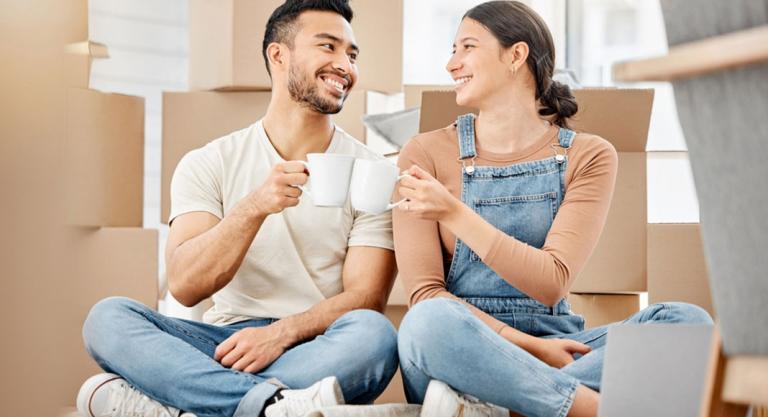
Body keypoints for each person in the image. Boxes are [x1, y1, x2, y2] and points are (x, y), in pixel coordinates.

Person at [76, 1, 399, 416]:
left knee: (374, 336)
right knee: (108, 319)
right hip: (223, 346)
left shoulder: (372, 173)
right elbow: (185, 284)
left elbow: (365, 298)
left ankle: (194, 402)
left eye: (352, 55)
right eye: (328, 47)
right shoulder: (209, 162)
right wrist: (254, 208)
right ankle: (273, 406)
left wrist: (281, 334)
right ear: (278, 55)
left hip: (317, 344)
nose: (345, 66)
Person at [393, 2, 713, 417]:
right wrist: (531, 349)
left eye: (466, 47)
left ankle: (497, 407)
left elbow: (551, 281)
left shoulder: (590, 155)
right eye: (452, 50)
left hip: (556, 340)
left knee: (687, 323)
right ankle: (589, 408)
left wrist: (454, 213)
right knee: (426, 324)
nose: (451, 63)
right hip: (467, 347)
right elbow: (425, 296)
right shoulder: (424, 153)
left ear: (515, 55)